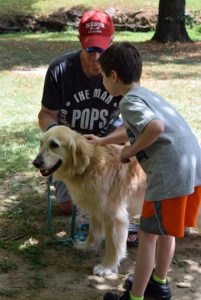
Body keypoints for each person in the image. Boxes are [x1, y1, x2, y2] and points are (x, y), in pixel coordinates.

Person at [98, 42, 201, 300]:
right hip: (191, 166)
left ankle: (136, 297)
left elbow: (153, 127)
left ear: (113, 76)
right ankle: (159, 283)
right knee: (167, 232)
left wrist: (128, 152)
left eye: (102, 75)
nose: (102, 81)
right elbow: (138, 127)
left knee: (147, 236)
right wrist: (102, 141)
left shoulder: (128, 102)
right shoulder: (145, 95)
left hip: (169, 174)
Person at [38, 11, 138, 245]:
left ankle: (119, 212)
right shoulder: (60, 69)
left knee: (110, 195)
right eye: (90, 49)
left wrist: (105, 141)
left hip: (109, 144)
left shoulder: (120, 71)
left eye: (101, 49)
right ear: (80, 41)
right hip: (70, 149)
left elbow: (133, 121)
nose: (95, 57)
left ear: (111, 42)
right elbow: (46, 114)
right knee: (67, 206)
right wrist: (60, 135)